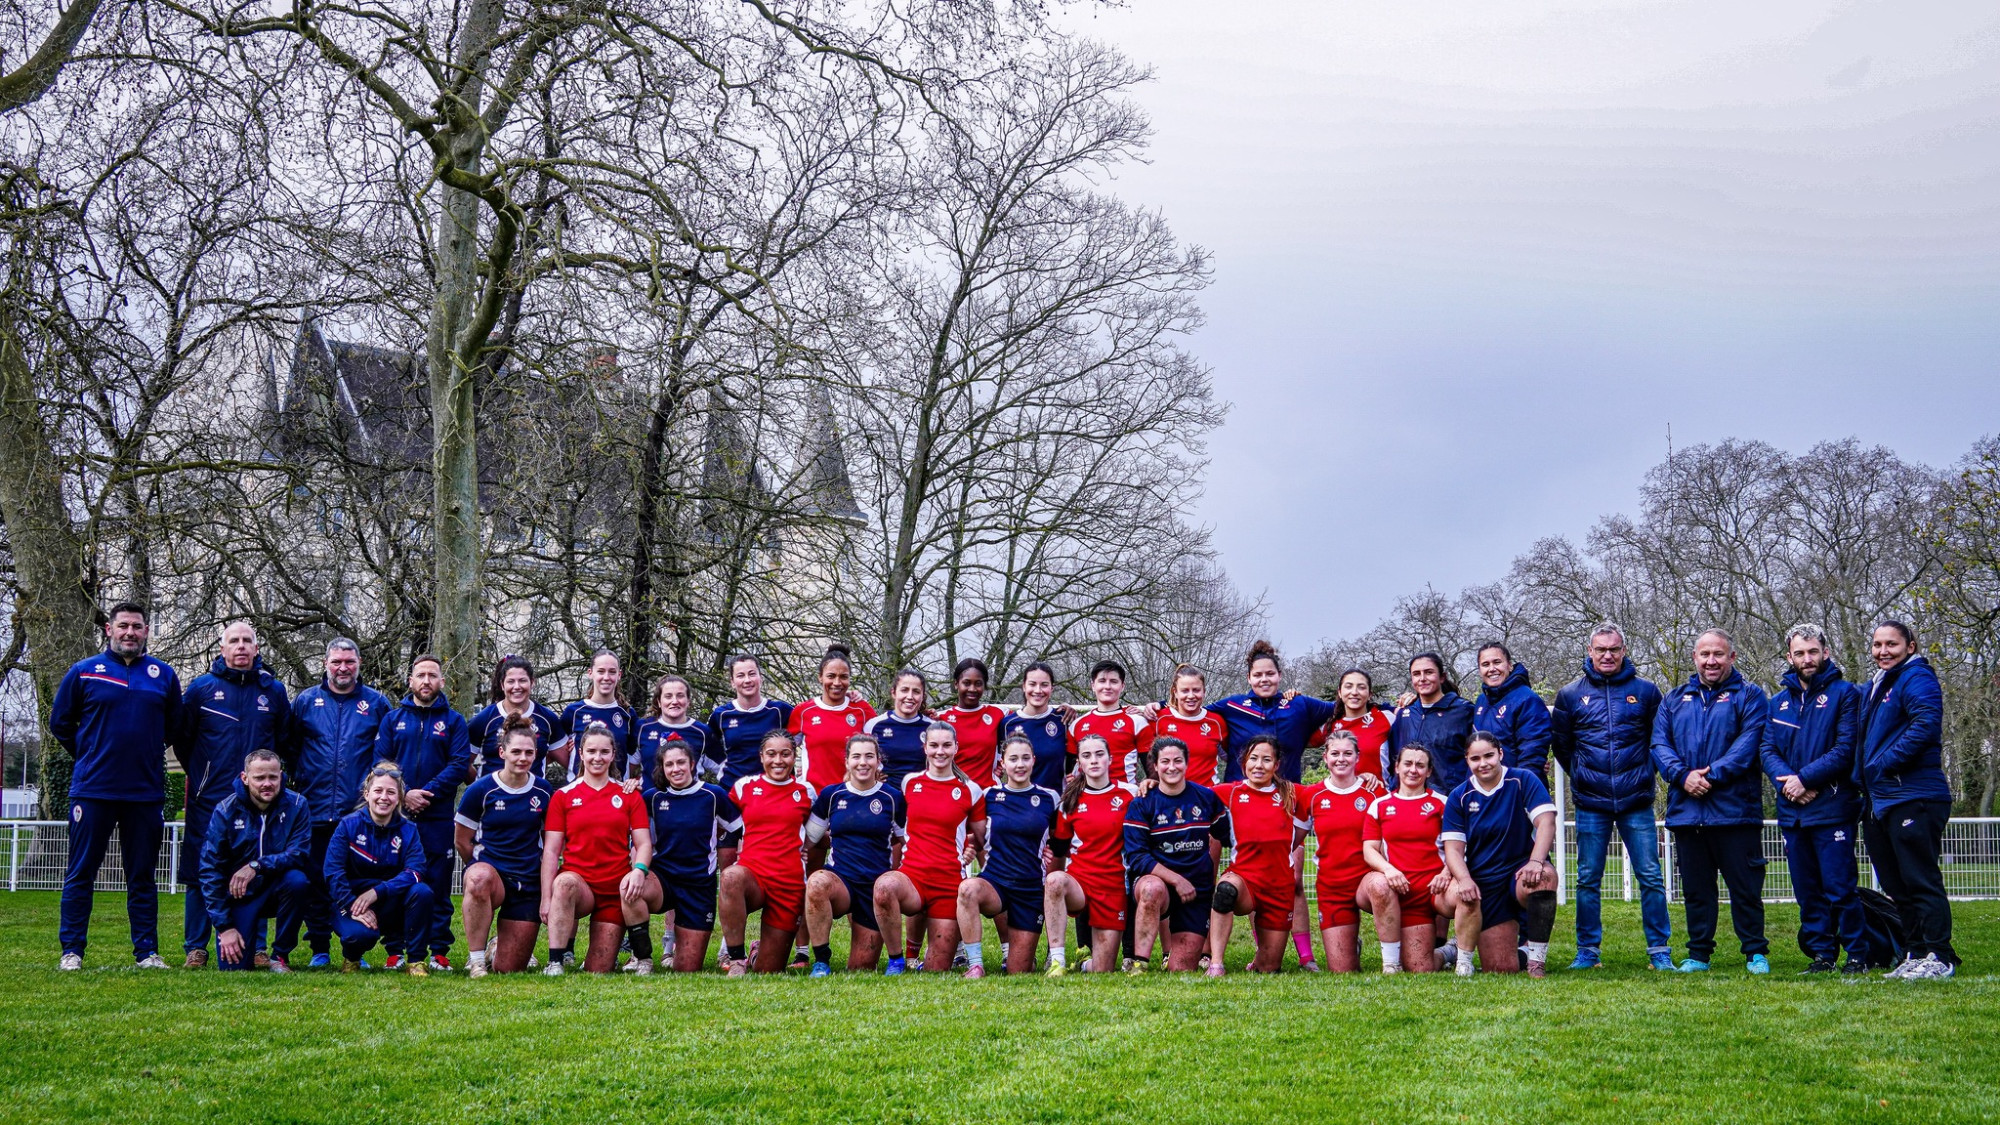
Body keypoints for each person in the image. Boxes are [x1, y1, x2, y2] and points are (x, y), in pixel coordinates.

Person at [50, 601, 181, 970]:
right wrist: (91, 754)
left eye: (137, 627)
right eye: (123, 626)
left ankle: (147, 953)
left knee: (142, 877)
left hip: (144, 793)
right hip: (93, 790)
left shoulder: (163, 675)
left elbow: (175, 726)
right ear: (109, 629)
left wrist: (146, 751)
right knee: (81, 873)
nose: (130, 633)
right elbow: (60, 723)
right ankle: (72, 951)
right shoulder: (83, 672)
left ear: (146, 631)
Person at [1550, 622, 1670, 970]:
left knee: (1651, 876)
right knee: (1587, 879)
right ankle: (1588, 951)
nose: (1607, 655)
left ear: (1623, 651)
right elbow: (1563, 746)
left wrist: (1644, 773)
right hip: (1591, 802)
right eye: (1600, 649)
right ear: (1589, 651)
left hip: (1637, 801)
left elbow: (1659, 740)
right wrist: (1583, 775)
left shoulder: (1647, 692)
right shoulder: (1570, 695)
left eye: (1613, 649)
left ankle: (1659, 951)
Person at [174, 619, 294, 969]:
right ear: (222, 648)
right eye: (234, 641)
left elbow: (284, 741)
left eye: (247, 641)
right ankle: (196, 947)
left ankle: (257, 947)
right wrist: (202, 775)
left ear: (256, 648)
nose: (241, 646)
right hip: (208, 797)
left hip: (259, 802)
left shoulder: (273, 691)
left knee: (256, 868)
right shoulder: (201, 689)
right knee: (201, 869)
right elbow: (183, 740)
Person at [1212, 640, 1337, 970]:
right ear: (1249, 678)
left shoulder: (1298, 704)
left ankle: (1303, 955)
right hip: (1240, 809)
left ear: (1280, 676)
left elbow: (1343, 706)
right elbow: (1189, 708)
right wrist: (1152, 707)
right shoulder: (1232, 706)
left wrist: (1393, 704)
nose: (1264, 679)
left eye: (1270, 674)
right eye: (1258, 675)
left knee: (1292, 880)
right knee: (1224, 883)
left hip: (1286, 804)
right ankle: (1211, 956)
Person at [1651, 628, 1771, 974]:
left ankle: (1755, 953)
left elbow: (1748, 745)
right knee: (1696, 891)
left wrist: (1711, 775)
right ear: (1695, 658)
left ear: (1732, 657)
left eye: (1718, 654)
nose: (1711, 661)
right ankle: (1699, 954)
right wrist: (1682, 776)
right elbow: (1659, 745)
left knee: (1745, 889)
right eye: (1704, 654)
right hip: (1688, 813)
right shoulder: (1673, 699)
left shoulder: (1750, 696)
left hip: (1735, 812)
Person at [1760, 624, 1866, 975]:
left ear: (1826, 652)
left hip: (1832, 808)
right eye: (1800, 653)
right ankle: (1823, 955)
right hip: (1792, 812)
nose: (1807, 659)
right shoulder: (1777, 702)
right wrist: (1789, 784)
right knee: (1807, 891)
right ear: (1789, 657)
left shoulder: (1846, 695)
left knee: (1840, 888)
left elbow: (1845, 749)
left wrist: (1804, 779)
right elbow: (1767, 750)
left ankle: (1857, 955)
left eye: (1813, 652)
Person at [1856, 621, 1958, 979]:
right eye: (1877, 645)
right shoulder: (1881, 683)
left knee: (1920, 879)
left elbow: (1925, 724)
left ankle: (1940, 955)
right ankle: (1914, 951)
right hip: (1882, 799)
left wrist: (1883, 764)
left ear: (1910, 647)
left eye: (1892, 644)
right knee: (1896, 884)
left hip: (1914, 795)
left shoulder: (1916, 677)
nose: (1883, 651)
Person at [285, 637, 391, 967]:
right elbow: (291, 749)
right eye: (336, 662)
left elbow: (383, 757)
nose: (342, 668)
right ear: (325, 664)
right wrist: (302, 781)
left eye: (349, 662)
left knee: (353, 881)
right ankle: (319, 947)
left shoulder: (376, 703)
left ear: (359, 664)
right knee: (316, 882)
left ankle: (353, 949)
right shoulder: (306, 701)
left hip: (356, 813)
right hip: (314, 809)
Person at [371, 654, 473, 971]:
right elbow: (381, 765)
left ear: (442, 682)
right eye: (421, 675)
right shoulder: (392, 719)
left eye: (432, 675)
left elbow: (459, 765)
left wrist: (425, 793)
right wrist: (404, 794)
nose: (426, 681)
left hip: (437, 818)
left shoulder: (454, 722)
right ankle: (395, 950)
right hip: (397, 818)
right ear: (410, 681)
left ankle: (439, 951)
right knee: (395, 882)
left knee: (438, 886)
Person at [1437, 731, 1560, 977]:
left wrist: (1536, 861)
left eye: (1489, 756)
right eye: (1475, 758)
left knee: (1544, 877)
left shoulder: (1523, 780)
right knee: (1502, 968)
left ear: (1500, 754)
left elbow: (1546, 822)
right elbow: (1453, 849)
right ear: (1467, 760)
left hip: (1520, 873)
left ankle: (1537, 962)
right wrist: (1464, 879)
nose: (1483, 763)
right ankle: (1514, 951)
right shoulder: (1459, 796)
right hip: (1486, 885)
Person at [539, 723, 653, 974]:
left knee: (599, 969)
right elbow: (551, 851)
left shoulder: (628, 794)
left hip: (614, 890)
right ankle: (555, 961)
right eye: (591, 751)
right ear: (581, 754)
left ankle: (605, 954)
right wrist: (547, 898)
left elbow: (644, 843)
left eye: (604, 752)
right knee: (564, 882)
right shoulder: (563, 796)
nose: (597, 757)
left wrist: (639, 870)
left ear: (613, 755)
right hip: (579, 886)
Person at [873, 722, 986, 975]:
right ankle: (897, 960)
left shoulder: (970, 789)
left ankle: (930, 956)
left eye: (946, 745)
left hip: (948, 882)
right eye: (934, 745)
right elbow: (897, 826)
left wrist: (969, 847)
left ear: (956, 747)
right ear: (925, 747)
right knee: (884, 887)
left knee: (937, 969)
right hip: (913, 878)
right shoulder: (909, 783)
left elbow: (980, 837)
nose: (940, 751)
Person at [455, 716, 555, 977]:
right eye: (516, 751)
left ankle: (495, 947)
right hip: (493, 874)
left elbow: (551, 843)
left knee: (509, 968)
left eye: (529, 752)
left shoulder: (544, 791)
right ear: (502, 752)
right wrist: (477, 871)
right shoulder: (481, 790)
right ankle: (477, 960)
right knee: (478, 878)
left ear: (536, 754)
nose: (522, 758)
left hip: (526, 881)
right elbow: (462, 840)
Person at [197, 749, 312, 971]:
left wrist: (256, 866)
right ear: (245, 778)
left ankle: (280, 955)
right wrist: (225, 927)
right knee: (234, 967)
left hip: (278, 888)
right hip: (240, 895)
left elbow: (299, 853)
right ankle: (240, 937)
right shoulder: (225, 810)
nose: (267, 784)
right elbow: (210, 870)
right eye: (259, 778)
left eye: (273, 777)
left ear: (281, 776)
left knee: (298, 881)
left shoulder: (298, 805)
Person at [957, 734, 1060, 978]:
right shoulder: (988, 796)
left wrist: (1050, 849)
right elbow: (974, 834)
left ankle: (1026, 955)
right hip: (996, 883)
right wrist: (969, 846)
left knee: (1019, 970)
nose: (1020, 764)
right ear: (1002, 763)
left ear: (1034, 760)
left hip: (1030, 889)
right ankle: (975, 965)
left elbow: (1060, 838)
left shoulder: (1050, 798)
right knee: (968, 889)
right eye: (1013, 759)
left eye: (1025, 758)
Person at [1123, 737, 1230, 974]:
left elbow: (1229, 836)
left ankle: (1175, 956)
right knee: (1152, 888)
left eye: (1177, 761)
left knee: (1181, 969)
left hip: (1196, 890)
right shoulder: (1142, 803)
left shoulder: (1206, 798)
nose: (1172, 767)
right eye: (1165, 762)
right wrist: (1177, 880)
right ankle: (1139, 963)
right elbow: (1137, 857)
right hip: (1158, 884)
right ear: (1155, 766)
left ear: (1187, 763)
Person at [803, 734, 906, 975]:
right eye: (856, 756)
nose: (863, 762)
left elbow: (908, 839)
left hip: (875, 888)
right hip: (841, 882)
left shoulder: (892, 797)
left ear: (878, 761)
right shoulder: (831, 795)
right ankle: (821, 961)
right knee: (816, 883)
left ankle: (894, 958)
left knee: (861, 969)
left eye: (869, 756)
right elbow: (808, 839)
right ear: (847, 761)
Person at [639, 738, 741, 973]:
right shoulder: (652, 798)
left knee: (687, 968)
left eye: (681, 762)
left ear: (692, 764)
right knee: (631, 888)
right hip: (663, 881)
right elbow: (635, 833)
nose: (676, 769)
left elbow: (740, 828)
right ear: (662, 768)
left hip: (698, 886)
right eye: (669, 764)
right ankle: (641, 957)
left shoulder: (713, 795)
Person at [719, 730, 815, 975]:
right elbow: (722, 822)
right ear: (761, 756)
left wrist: (805, 847)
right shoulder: (744, 787)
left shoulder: (806, 791)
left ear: (794, 756)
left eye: (785, 754)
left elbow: (819, 830)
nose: (778, 760)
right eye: (771, 754)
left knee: (768, 971)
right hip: (753, 876)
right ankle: (736, 959)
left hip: (788, 883)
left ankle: (756, 953)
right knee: (730, 876)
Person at [1209, 736, 1307, 975]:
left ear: (1276, 765)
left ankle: (1259, 959)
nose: (1259, 765)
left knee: (1269, 968)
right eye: (1253, 759)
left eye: (1266, 760)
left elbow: (1328, 790)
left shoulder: (1292, 793)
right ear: (1244, 763)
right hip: (1245, 880)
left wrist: (1365, 778)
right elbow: (1188, 793)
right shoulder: (1230, 792)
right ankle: (1216, 964)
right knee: (1225, 891)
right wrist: (1151, 783)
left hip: (1278, 887)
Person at [327, 762, 435, 975]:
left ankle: (416, 961)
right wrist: (352, 904)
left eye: (391, 792)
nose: (383, 797)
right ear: (367, 794)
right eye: (378, 791)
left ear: (399, 798)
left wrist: (378, 891)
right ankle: (352, 958)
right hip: (353, 901)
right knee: (359, 936)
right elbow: (333, 872)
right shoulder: (347, 826)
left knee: (422, 892)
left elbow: (416, 871)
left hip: (391, 900)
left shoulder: (409, 830)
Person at [1043, 733, 1136, 975]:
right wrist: (1050, 886)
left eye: (1099, 754)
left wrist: (1152, 785)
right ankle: (1057, 961)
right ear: (1080, 763)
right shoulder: (1069, 801)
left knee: (1102, 970)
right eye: (1086, 755)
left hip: (1113, 886)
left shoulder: (1131, 794)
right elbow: (1059, 850)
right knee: (1054, 881)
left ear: (1110, 759)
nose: (1093, 760)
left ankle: (1083, 964)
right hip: (1080, 884)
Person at [1300, 730, 1387, 971]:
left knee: (1382, 888)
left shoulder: (1375, 792)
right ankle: (1350, 944)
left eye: (1348, 753)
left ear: (1358, 757)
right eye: (1335, 753)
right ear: (1325, 757)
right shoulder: (1312, 795)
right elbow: (1294, 839)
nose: (1341, 759)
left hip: (1368, 880)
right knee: (1342, 970)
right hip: (1333, 886)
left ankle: (1392, 959)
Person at [1360, 744, 1451, 973]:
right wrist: (1388, 870)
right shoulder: (1380, 805)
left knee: (1421, 967)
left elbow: (1457, 848)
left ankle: (1449, 951)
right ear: (1397, 767)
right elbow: (1369, 849)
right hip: (1394, 889)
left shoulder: (1443, 803)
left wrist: (1446, 873)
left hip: (1425, 894)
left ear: (1429, 771)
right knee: (1379, 884)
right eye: (1408, 763)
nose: (1413, 770)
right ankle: (1390, 964)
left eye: (1420, 765)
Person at [789, 644, 878, 794]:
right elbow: (783, 750)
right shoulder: (803, 711)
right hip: (815, 797)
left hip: (853, 796)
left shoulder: (862, 710)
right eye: (831, 676)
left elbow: (881, 747)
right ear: (820, 677)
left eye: (843, 677)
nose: (837, 683)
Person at [1388, 652, 1475, 793]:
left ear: (1442, 677)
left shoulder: (1464, 711)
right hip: (1409, 798)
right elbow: (1393, 756)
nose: (1422, 678)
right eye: (1416, 674)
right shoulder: (1405, 715)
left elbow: (1475, 757)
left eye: (1429, 672)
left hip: (1449, 799)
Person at [707, 654, 795, 788]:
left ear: (761, 678)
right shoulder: (721, 715)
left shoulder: (780, 711)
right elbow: (706, 747)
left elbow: (807, 739)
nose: (747, 680)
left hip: (775, 790)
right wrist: (723, 770)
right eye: (740, 675)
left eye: (752, 674)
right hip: (733, 790)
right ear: (732, 682)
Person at [467, 655, 564, 776]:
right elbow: (463, 763)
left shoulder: (547, 718)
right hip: (492, 788)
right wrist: (481, 785)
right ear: (502, 685)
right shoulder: (484, 719)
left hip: (534, 788)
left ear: (532, 682)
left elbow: (569, 761)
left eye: (522, 680)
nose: (517, 686)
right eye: (511, 681)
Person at [1470, 642, 1553, 779]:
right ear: (1479, 670)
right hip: (1486, 786)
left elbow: (1532, 755)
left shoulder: (1527, 700)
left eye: (1497, 662)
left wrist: (1518, 786)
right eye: (1485, 664)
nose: (1492, 669)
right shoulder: (1481, 701)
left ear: (1509, 665)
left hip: (1515, 786)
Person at [1068, 659, 1152, 784]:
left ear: (1122, 686)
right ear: (1093, 685)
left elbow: (1152, 773)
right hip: (1086, 794)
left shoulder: (1138, 722)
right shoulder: (1077, 725)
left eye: (1113, 681)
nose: (1107, 686)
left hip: (1125, 794)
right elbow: (1068, 773)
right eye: (1102, 681)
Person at [558, 650, 638, 781]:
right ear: (590, 673)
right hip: (580, 789)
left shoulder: (628, 715)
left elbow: (633, 756)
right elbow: (557, 748)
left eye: (612, 672)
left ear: (619, 675)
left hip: (616, 789)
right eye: (601, 671)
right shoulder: (574, 712)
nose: (606, 677)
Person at [999, 662, 1071, 790]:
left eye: (1044, 685)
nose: (1038, 690)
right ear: (1024, 687)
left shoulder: (1063, 719)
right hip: (1019, 799)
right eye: (1032, 684)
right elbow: (997, 764)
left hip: (1055, 799)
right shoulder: (1007, 724)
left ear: (1052, 688)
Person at [1153, 664, 1229, 786]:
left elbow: (1232, 758)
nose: (1191, 696)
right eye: (1185, 691)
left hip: (1206, 793)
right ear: (1175, 692)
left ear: (1204, 692)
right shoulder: (1159, 718)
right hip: (1170, 793)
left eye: (1196, 690)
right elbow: (1147, 757)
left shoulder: (1216, 722)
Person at [939, 657, 1008, 789]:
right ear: (956, 684)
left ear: (984, 685)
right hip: (953, 794)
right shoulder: (941, 719)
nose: (972, 688)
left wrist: (1004, 762)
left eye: (978, 683)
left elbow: (1026, 723)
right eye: (966, 683)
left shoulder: (999, 714)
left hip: (987, 793)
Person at [1313, 668, 1394, 781]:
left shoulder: (1387, 718)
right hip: (1342, 791)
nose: (1354, 692)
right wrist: (1292, 701)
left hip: (1379, 790)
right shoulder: (1330, 722)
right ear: (1340, 692)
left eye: (1361, 687)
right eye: (1348, 686)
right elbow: (1295, 742)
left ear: (1370, 694)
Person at [636, 673, 717, 784]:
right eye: (668, 696)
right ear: (659, 702)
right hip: (649, 795)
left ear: (688, 701)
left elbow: (725, 768)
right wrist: (631, 784)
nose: (674, 701)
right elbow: (627, 768)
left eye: (680, 696)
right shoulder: (642, 728)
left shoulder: (703, 732)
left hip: (689, 795)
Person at [863, 669, 933, 786]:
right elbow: (862, 760)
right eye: (904, 690)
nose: (910, 696)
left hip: (921, 792)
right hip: (886, 794)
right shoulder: (874, 725)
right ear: (894, 693)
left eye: (916, 691)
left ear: (923, 696)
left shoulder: (932, 727)